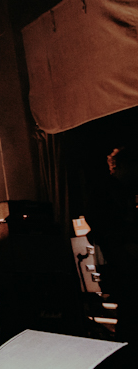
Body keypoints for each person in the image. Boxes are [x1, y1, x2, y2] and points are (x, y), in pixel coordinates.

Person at [85, 144, 138, 351]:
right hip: (119, 261)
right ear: (125, 166)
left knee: (130, 310)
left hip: (120, 259)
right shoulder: (106, 190)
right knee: (130, 310)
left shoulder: (122, 190)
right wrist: (125, 244)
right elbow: (100, 224)